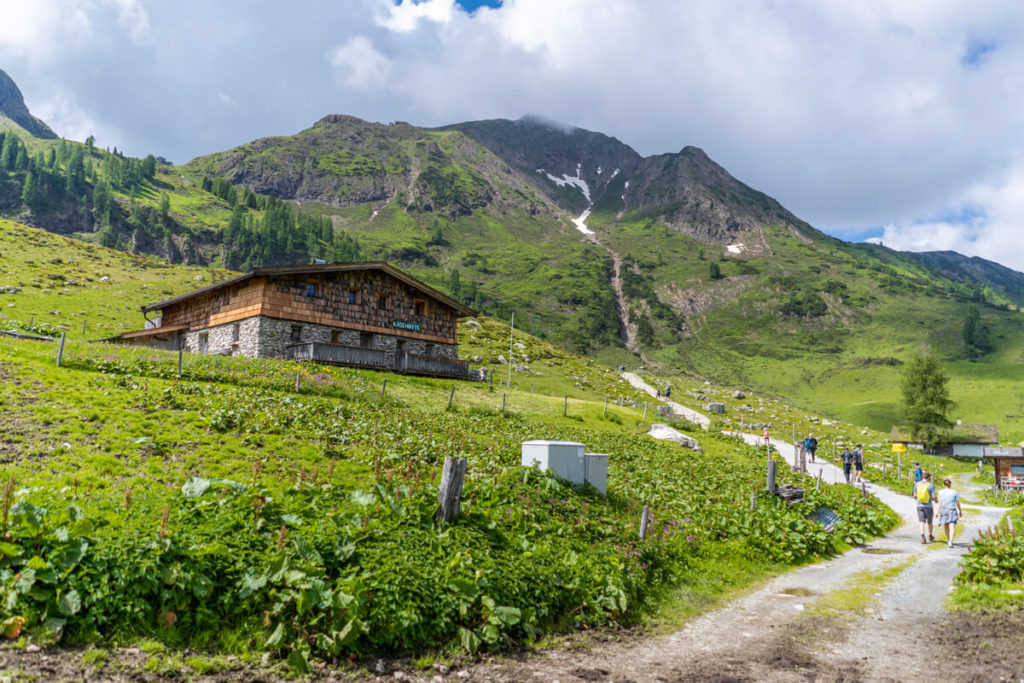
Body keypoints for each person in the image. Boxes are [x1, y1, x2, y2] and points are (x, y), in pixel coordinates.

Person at [936, 478, 963, 548]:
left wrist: (937, 512)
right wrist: (960, 511)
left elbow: (939, 503)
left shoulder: (940, 492)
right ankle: (950, 541)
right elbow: (957, 503)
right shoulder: (954, 492)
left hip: (944, 510)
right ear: (950, 484)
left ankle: (948, 539)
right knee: (952, 527)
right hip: (952, 510)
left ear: (944, 484)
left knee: (946, 526)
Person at [913, 472, 937, 544]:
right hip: (928, 506)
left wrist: (918, 499)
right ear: (928, 478)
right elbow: (933, 496)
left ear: (922, 477)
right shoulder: (930, 485)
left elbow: (914, 495)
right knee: (930, 522)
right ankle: (930, 536)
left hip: (919, 506)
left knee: (921, 522)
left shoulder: (916, 484)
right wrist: (935, 500)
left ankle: (923, 537)